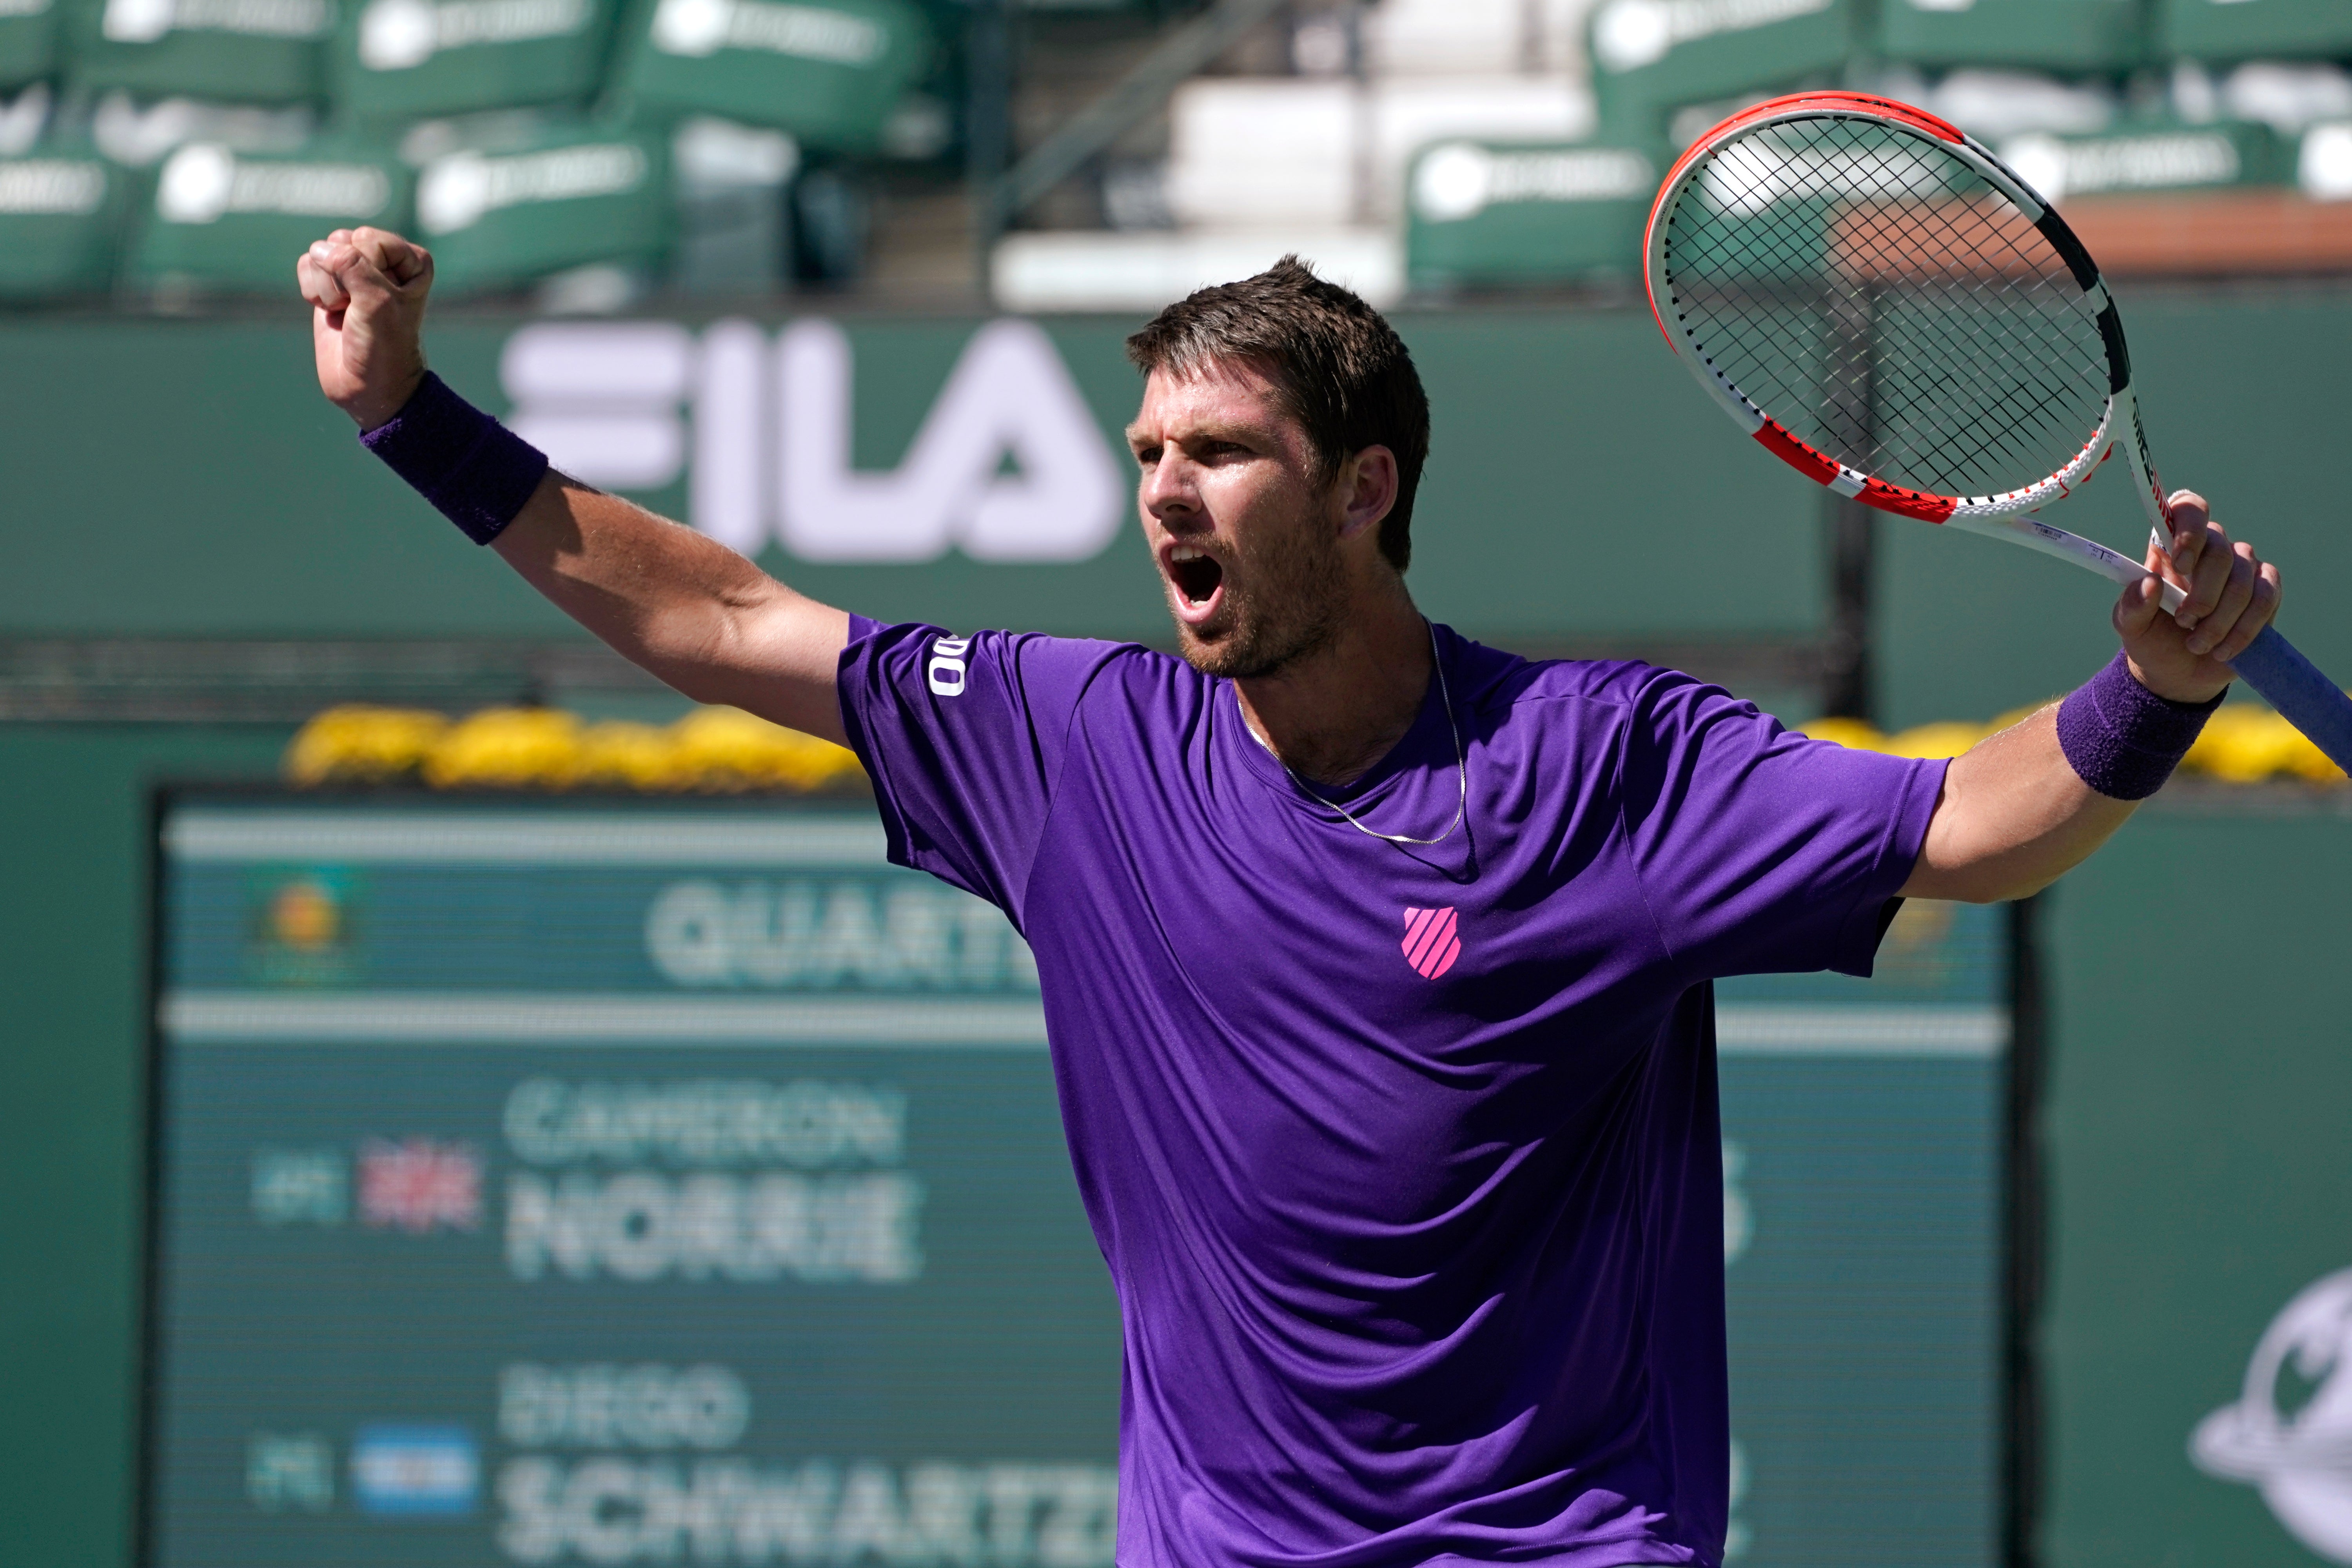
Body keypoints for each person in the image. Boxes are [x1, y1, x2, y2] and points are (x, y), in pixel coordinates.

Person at [297, 227, 2279, 1566]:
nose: (1163, 487)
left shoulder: (1602, 761)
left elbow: (1961, 829)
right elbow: (717, 611)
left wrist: (2154, 688)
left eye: (1223, 450)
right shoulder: (1066, 739)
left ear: (1364, 487)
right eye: (1148, 446)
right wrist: (407, 418)